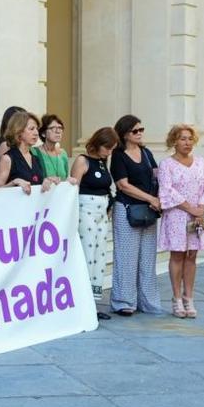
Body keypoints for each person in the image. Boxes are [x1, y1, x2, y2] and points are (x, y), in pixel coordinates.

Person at [157, 124, 204, 318]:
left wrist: (201, 208)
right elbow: (166, 190)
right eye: (183, 138)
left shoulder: (201, 163)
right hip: (176, 215)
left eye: (190, 139)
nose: (187, 143)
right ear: (174, 141)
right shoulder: (167, 164)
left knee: (192, 255)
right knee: (178, 255)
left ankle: (189, 298)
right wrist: (189, 207)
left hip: (196, 216)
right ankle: (176, 299)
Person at [109, 114, 163, 316]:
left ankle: (148, 301)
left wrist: (159, 198)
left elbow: (157, 176)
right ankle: (124, 301)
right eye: (135, 131)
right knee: (126, 257)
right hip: (127, 209)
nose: (140, 133)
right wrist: (150, 199)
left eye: (141, 130)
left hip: (149, 211)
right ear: (124, 134)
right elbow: (123, 185)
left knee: (148, 259)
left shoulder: (147, 153)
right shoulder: (118, 155)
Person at [70, 127, 120, 320]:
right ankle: (79, 299)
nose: (109, 152)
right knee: (86, 253)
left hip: (101, 213)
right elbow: (74, 187)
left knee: (99, 256)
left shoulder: (102, 162)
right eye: (107, 148)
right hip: (86, 212)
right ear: (98, 143)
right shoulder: (83, 160)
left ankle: (92, 300)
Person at [0, 110, 45, 194]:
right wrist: (14, 182)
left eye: (37, 129)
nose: (36, 133)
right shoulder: (7, 159)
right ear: (19, 131)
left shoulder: (36, 158)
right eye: (31, 129)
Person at [36, 114, 70, 184]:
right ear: (43, 133)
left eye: (60, 128)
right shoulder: (34, 152)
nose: (58, 131)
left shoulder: (63, 153)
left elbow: (65, 177)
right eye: (53, 128)